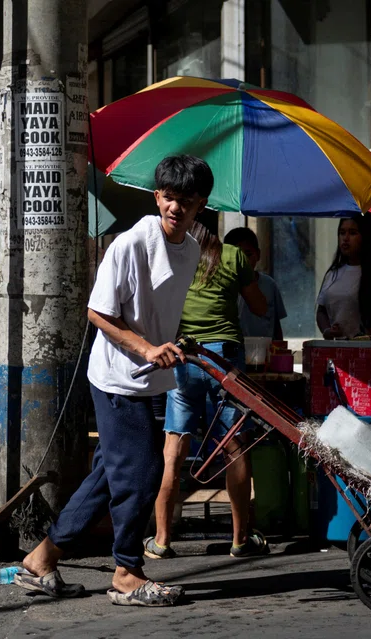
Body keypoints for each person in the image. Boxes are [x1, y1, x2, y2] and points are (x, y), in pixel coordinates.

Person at [15, 155, 210, 607]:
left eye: (185, 201)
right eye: (168, 198)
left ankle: (41, 559)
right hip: (118, 378)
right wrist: (146, 348)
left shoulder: (193, 250)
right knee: (141, 475)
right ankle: (126, 571)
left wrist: (174, 341)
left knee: (109, 475)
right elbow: (99, 311)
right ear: (156, 196)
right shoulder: (130, 244)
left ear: (200, 205)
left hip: (152, 377)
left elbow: (157, 309)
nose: (175, 208)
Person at [147, 212, 269, 559]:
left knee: (174, 451)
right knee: (235, 447)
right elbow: (260, 307)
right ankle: (240, 541)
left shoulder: (172, 256)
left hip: (184, 358)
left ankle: (161, 541)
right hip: (224, 360)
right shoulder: (234, 257)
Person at [316, 213, 371, 340]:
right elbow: (321, 310)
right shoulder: (333, 273)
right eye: (342, 233)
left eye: (353, 233)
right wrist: (328, 331)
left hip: (367, 355)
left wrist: (358, 340)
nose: (345, 238)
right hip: (335, 351)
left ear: (367, 237)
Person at [224, 227, 288, 340]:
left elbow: (276, 326)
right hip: (233, 351)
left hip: (263, 351)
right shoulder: (222, 286)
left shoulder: (269, 285)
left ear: (258, 254)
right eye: (237, 256)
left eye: (248, 255)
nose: (242, 261)